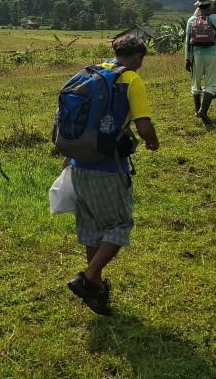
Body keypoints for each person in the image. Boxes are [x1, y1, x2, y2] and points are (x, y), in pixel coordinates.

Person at [65, 35, 159, 316]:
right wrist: (153, 142)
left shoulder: (89, 74)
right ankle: (87, 277)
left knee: (93, 230)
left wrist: (68, 160)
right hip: (109, 167)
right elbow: (143, 125)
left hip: (79, 164)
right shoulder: (131, 80)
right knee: (119, 225)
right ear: (139, 57)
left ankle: (95, 286)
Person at [185, 0, 216, 124]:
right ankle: (203, 110)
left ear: (198, 5)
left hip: (197, 56)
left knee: (196, 83)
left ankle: (197, 110)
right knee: (212, 83)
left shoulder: (191, 20)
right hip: (213, 55)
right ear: (209, 5)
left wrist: (187, 58)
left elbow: (187, 42)